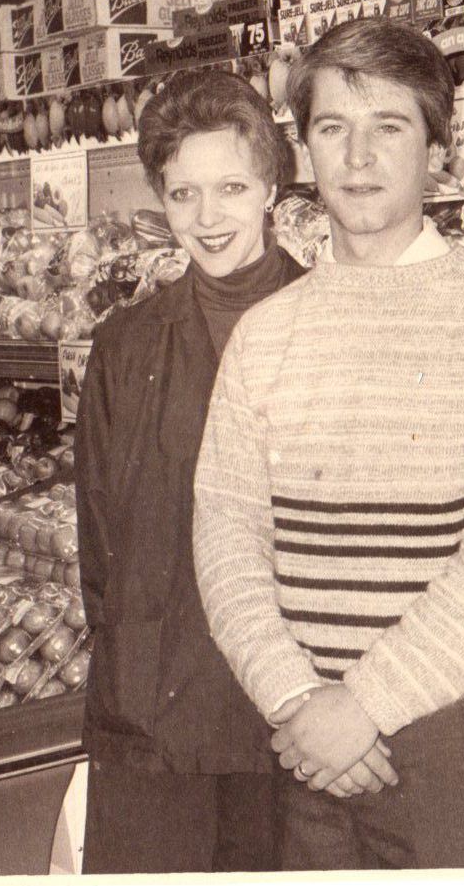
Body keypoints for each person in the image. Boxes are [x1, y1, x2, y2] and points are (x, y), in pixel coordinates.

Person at [192, 16, 464, 870]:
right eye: (333, 128)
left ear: (437, 149)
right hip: (299, 738)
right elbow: (225, 529)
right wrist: (295, 696)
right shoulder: (263, 332)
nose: (357, 156)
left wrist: (362, 705)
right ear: (305, 149)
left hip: (449, 737)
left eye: (388, 127)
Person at [73, 69, 304, 873]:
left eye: (231, 187)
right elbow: (99, 546)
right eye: (182, 194)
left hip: (288, 714)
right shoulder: (125, 344)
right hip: (155, 718)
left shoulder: (332, 319)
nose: (207, 218)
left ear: (271, 186)